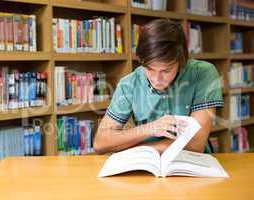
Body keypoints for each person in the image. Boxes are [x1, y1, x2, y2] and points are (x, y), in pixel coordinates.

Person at [93, 18, 223, 154]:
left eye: (166, 71)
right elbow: (100, 143)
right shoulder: (129, 83)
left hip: (191, 164)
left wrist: (133, 149)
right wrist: (150, 128)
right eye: (149, 69)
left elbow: (196, 144)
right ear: (141, 61)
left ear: (181, 61)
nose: (157, 79)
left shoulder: (203, 73)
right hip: (145, 166)